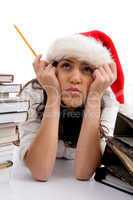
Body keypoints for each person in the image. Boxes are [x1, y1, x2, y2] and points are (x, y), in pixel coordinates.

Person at [18, 30, 124, 182]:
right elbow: (40, 171)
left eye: (87, 69)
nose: (75, 79)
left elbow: (83, 173)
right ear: (54, 71)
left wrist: (94, 98)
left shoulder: (106, 99)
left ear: (97, 76)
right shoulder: (34, 93)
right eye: (66, 65)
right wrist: (53, 94)